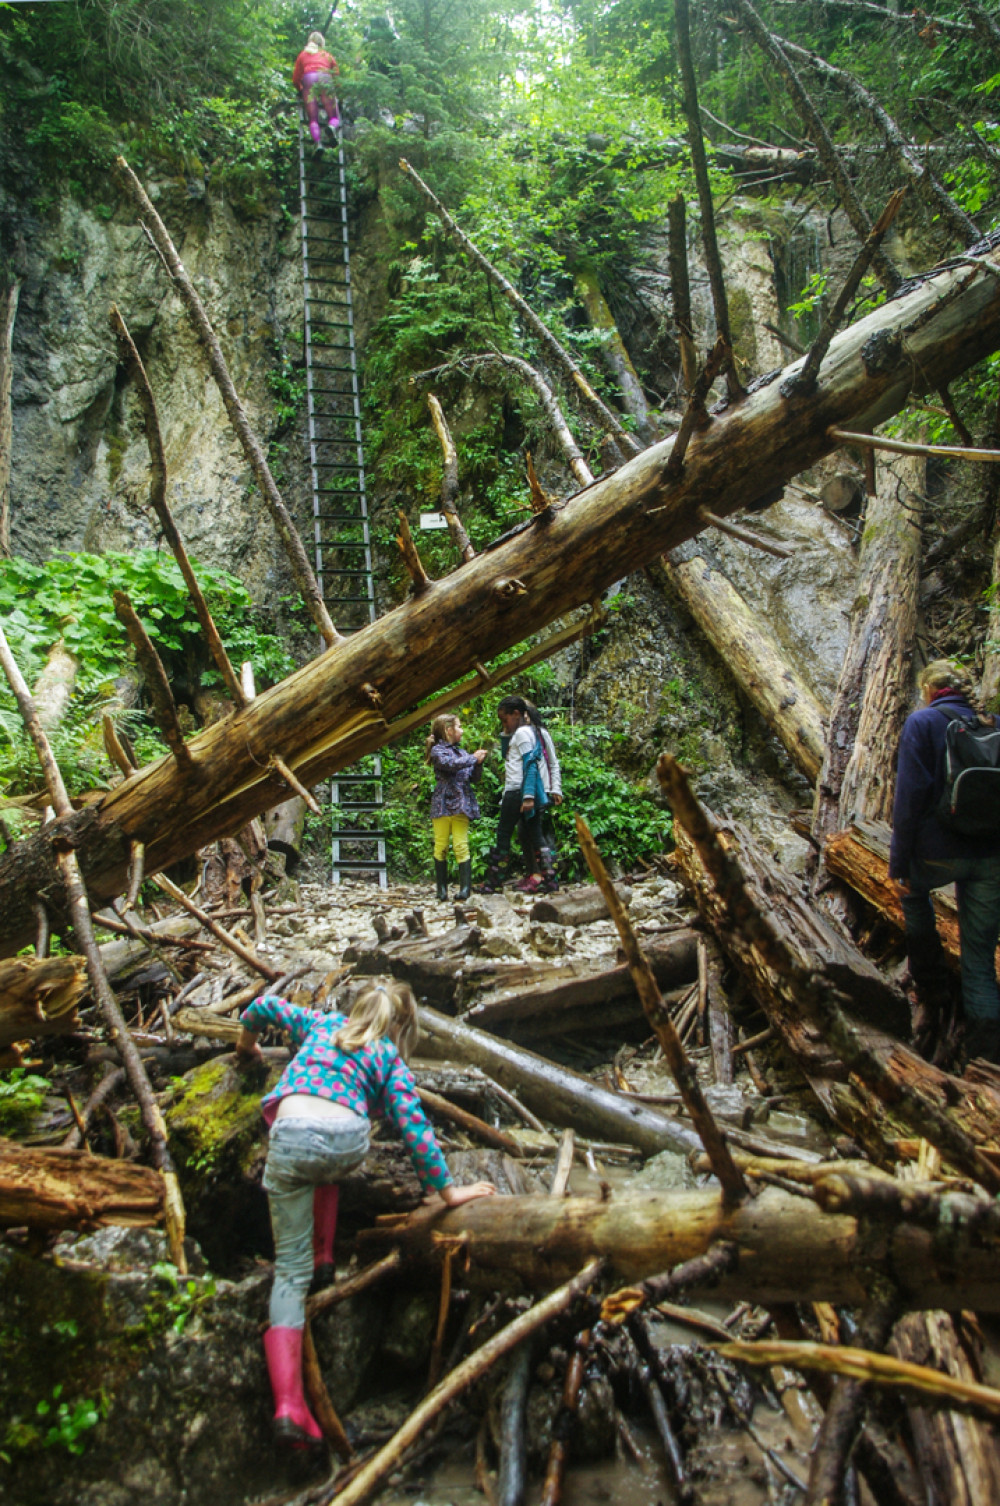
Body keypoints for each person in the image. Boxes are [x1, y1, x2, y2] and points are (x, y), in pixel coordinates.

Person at [235, 981, 495, 1449]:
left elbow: (262, 1006)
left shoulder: (320, 1023)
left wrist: (246, 1045)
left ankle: (289, 1404)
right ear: (398, 1025)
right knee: (328, 1170)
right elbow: (414, 1127)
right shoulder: (388, 1057)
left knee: (286, 1273)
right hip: (346, 1144)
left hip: (292, 1133)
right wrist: (448, 1192)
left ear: (351, 1008)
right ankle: (325, 1260)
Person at [889, 659, 1000, 1063]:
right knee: (980, 963)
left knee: (914, 896)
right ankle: (988, 1066)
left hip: (936, 856)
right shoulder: (996, 724)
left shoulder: (922, 723)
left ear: (930, 690)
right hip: (990, 858)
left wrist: (899, 863)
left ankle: (931, 984)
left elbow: (909, 801)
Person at [479, 695, 562, 894]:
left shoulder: (523, 733)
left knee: (504, 835)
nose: (503, 724)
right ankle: (550, 879)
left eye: (505, 720)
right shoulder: (533, 731)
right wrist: (507, 732)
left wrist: (527, 796)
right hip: (530, 790)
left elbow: (530, 765)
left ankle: (493, 881)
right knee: (536, 835)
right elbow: (511, 756)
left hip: (517, 790)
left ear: (516, 714)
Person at [426, 713, 487, 902]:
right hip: (442, 805)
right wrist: (473, 759)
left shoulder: (462, 753)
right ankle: (441, 890)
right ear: (448, 730)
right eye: (459, 727)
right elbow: (450, 765)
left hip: (461, 804)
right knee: (441, 845)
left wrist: (478, 764)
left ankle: (465, 890)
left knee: (461, 845)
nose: (462, 730)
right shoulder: (437, 751)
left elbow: (473, 777)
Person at [293, 31, 340, 147]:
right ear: (321, 43)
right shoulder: (327, 56)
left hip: (309, 79)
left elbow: (295, 78)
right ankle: (331, 127)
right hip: (325, 78)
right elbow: (336, 76)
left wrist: (300, 90)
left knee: (313, 119)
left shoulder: (303, 55)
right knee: (334, 116)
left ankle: (318, 143)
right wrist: (336, 91)